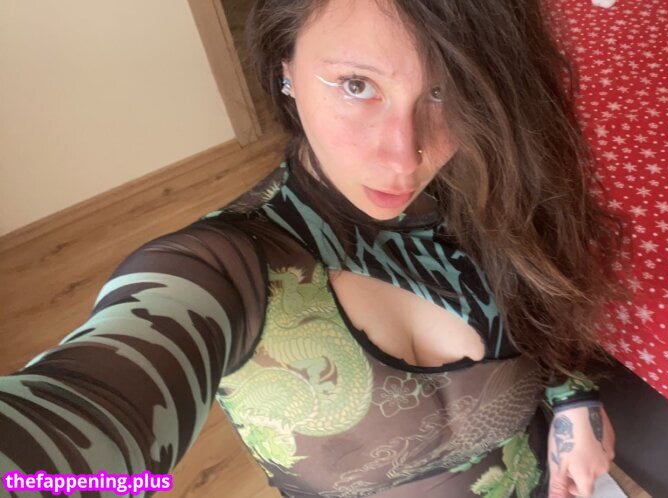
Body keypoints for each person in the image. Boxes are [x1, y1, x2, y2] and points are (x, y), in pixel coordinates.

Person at [0, 0, 630, 496]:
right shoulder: (221, 270)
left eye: (444, 91)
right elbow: (71, 439)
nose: (404, 156)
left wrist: (572, 399)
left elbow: (547, 301)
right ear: (286, 69)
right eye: (356, 84)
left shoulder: (492, 181)